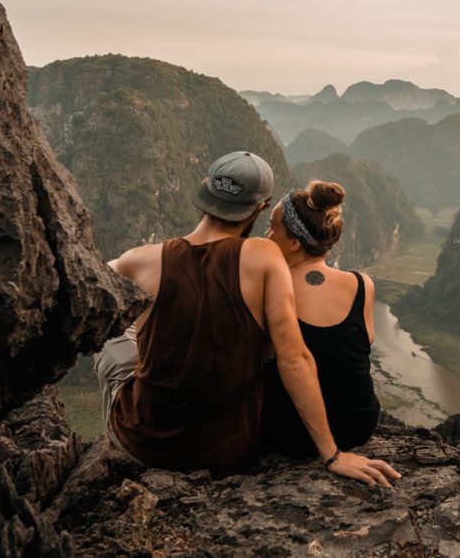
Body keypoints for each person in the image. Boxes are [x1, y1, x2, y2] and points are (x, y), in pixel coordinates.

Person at [94, 151, 400, 487]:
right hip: (224, 454)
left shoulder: (139, 260)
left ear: (203, 187)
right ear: (261, 207)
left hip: (141, 443)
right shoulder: (265, 256)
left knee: (117, 336)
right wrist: (332, 455)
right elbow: (294, 358)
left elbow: (92, 287)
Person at [260, 181, 380, 456]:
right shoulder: (363, 285)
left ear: (293, 243)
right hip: (357, 426)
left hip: (291, 434)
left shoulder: (271, 290)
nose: (267, 235)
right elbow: (363, 344)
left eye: (272, 227)